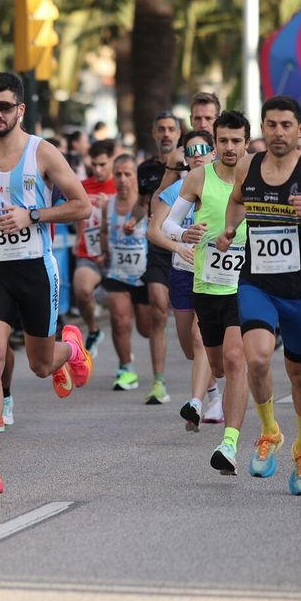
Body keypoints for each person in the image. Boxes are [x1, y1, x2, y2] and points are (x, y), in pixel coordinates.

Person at [0, 73, 95, 496]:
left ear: (20, 110)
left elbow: (81, 205)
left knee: (41, 365)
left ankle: (71, 348)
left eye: (4, 107)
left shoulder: (42, 153)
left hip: (35, 271)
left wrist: (34, 216)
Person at [215, 96, 301, 495]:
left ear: (299, 128)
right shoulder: (247, 166)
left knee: (300, 374)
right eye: (270, 125)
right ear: (263, 127)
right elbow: (237, 202)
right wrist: (228, 230)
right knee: (255, 358)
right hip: (257, 283)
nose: (277, 132)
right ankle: (270, 430)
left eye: (286, 125)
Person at [161, 113, 251, 451]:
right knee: (217, 363)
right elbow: (167, 226)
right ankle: (218, 398)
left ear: (246, 142)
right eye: (223, 141)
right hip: (208, 283)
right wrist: (185, 232)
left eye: (236, 141)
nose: (230, 147)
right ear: (215, 144)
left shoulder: (256, 175)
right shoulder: (198, 177)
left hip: (246, 283)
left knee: (234, 358)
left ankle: (230, 442)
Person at [148, 129, 217, 416]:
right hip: (182, 271)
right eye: (190, 151)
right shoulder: (175, 191)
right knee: (191, 348)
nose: (197, 155)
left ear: (213, 152)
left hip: (214, 274)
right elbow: (153, 231)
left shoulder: (227, 184)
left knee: (200, 337)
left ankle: (196, 402)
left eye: (203, 149)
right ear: (184, 158)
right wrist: (178, 246)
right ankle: (212, 391)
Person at [134, 111, 182, 404]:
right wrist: (131, 219)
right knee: (158, 309)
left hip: (188, 246)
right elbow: (142, 204)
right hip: (158, 248)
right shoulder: (145, 170)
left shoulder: (191, 166)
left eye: (171, 129)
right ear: (154, 134)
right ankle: (159, 381)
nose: (166, 134)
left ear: (179, 133)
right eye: (161, 129)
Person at [101, 153, 155, 392]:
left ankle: (153, 362)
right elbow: (103, 231)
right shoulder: (109, 204)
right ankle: (126, 368)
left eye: (128, 174)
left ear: (136, 177)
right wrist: (104, 253)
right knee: (120, 320)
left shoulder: (148, 204)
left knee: (146, 329)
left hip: (143, 274)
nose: (122, 180)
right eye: (118, 174)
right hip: (117, 272)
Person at [70, 140, 117, 354]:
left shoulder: (122, 184)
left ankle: (125, 363)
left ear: (112, 161)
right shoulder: (84, 186)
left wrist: (110, 207)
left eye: (102, 164)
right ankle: (93, 329)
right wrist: (78, 237)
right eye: (94, 165)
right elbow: (77, 214)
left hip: (117, 254)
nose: (97, 170)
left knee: (121, 314)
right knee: (81, 289)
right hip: (89, 250)